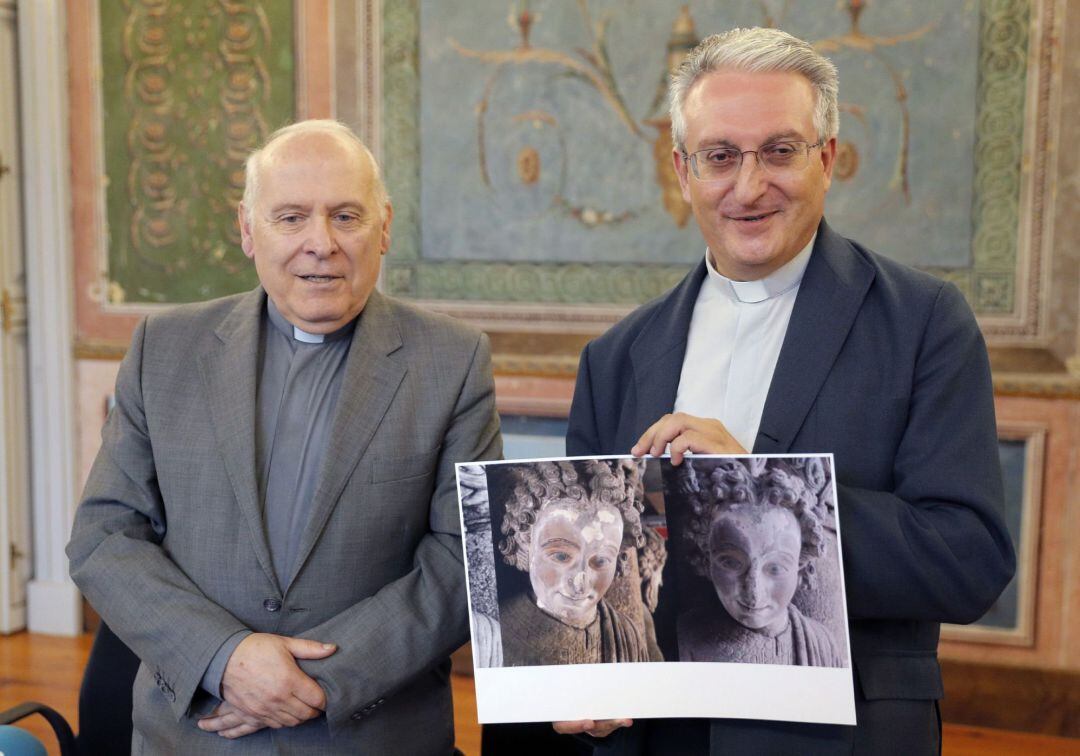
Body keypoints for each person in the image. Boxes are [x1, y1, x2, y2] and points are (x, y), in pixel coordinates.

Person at [556, 26, 1015, 755]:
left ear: (826, 158)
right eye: (720, 156)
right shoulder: (615, 358)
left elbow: (971, 561)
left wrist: (754, 484)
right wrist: (586, 676)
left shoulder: (924, 322)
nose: (748, 185)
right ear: (682, 170)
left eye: (779, 151)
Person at [67, 119, 502, 754]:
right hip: (194, 732)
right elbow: (105, 536)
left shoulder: (453, 361)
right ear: (247, 229)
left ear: (384, 227)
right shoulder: (163, 349)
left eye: (346, 217)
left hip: (367, 734)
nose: (320, 243)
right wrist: (224, 660)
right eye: (290, 217)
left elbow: (464, 559)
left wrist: (311, 681)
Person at [674, 457, 844, 667]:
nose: (753, 593)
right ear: (706, 558)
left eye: (775, 568)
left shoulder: (822, 642)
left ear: (800, 566)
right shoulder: (686, 638)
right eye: (731, 563)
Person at [495, 460, 654, 667]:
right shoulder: (497, 635)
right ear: (526, 546)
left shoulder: (627, 634)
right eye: (561, 557)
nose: (580, 583)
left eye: (601, 560)